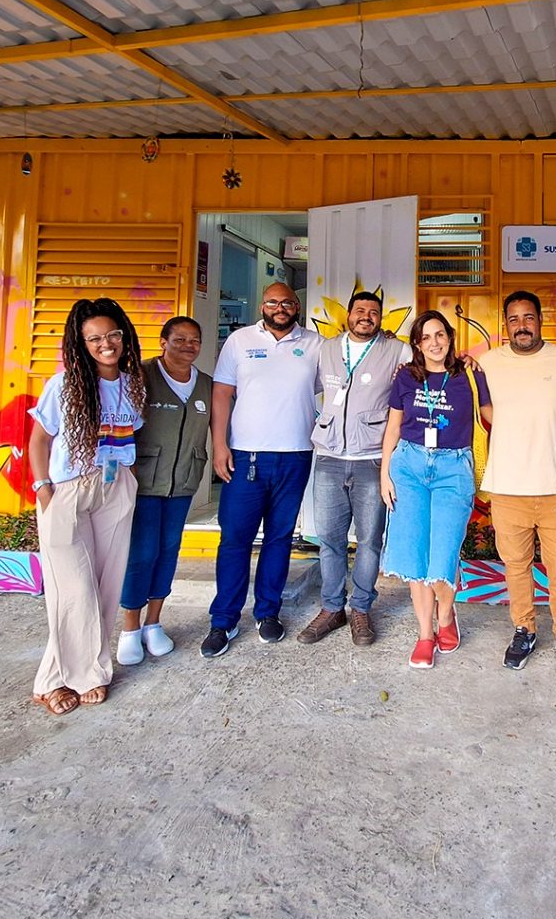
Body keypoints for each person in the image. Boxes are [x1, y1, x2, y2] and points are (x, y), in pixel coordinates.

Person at [27, 298, 145, 714]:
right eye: (94, 338)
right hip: (68, 490)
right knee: (72, 589)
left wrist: (127, 483)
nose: (105, 344)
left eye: (112, 334)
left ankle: (78, 674)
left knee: (105, 587)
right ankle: (63, 680)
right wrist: (44, 489)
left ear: (124, 336)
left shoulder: (133, 384)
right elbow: (38, 440)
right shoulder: (64, 385)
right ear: (81, 344)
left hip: (116, 487)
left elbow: (131, 434)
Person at [200, 283, 322, 658]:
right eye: (272, 302)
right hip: (245, 456)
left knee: (279, 539)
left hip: (295, 456)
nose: (279, 308)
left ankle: (268, 612)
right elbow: (222, 394)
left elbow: (337, 383)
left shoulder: (315, 344)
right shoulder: (239, 341)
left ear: (297, 306)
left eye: (287, 303)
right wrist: (220, 445)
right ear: (261, 305)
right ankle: (223, 620)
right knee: (235, 540)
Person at [380, 311, 492, 668]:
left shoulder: (470, 375)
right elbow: (393, 428)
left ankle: (446, 617)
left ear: (450, 337)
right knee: (414, 556)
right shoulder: (406, 377)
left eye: (440, 334)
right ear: (417, 344)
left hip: (453, 470)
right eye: (426, 337)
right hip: (409, 467)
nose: (434, 343)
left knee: (443, 554)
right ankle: (425, 634)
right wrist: (385, 475)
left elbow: (494, 415)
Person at [480, 291, 556, 681]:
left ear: (540, 320)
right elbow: (479, 405)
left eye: (528, 317)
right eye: (513, 319)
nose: (521, 325)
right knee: (516, 567)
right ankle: (524, 630)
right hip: (508, 487)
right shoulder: (488, 364)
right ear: (505, 324)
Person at [300, 291, 411, 647]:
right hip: (329, 458)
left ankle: (361, 608)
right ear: (348, 315)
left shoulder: (397, 350)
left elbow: (424, 371)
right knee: (329, 540)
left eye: (373, 312)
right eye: (360, 310)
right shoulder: (326, 348)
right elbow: (303, 383)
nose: (366, 316)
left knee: (369, 541)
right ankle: (332, 608)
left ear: (381, 319)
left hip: (372, 459)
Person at [117, 316, 212, 666]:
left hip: (183, 482)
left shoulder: (205, 384)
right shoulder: (140, 376)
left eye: (194, 340)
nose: (188, 346)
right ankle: (130, 628)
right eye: (180, 339)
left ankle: (153, 623)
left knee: (169, 551)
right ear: (163, 342)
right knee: (141, 553)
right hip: (143, 482)